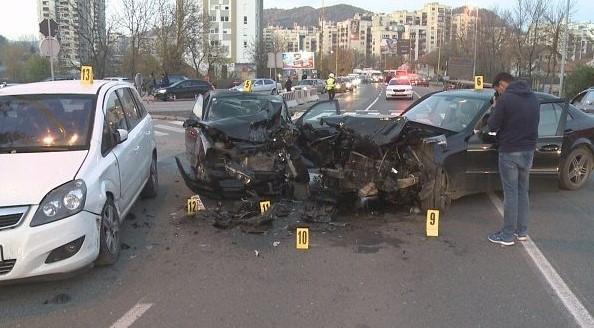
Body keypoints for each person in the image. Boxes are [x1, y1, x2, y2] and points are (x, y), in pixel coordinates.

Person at [487, 72, 540, 246]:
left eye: (498, 90)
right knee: (522, 192)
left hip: (510, 151)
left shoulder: (505, 99)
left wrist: (495, 107)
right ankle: (522, 231)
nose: (499, 93)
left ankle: (507, 235)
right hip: (528, 151)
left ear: (502, 84)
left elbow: (492, 126)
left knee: (510, 194)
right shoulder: (533, 97)